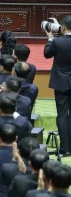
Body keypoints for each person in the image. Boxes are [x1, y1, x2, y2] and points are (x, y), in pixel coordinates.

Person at [45, 17, 71, 154]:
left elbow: (47, 54)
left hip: (61, 83)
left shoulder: (57, 42)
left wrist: (50, 38)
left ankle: (65, 148)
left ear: (62, 28)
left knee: (62, 115)